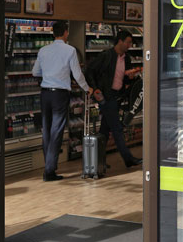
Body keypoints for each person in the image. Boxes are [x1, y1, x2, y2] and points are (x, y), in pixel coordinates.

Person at [32, 20, 93, 181]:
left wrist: (49, 74)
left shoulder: (43, 50)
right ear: (65, 33)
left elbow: (35, 72)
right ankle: (49, 171)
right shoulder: (70, 50)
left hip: (45, 94)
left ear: (53, 33)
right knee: (56, 131)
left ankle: (49, 166)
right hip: (60, 95)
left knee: (46, 130)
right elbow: (77, 75)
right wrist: (87, 88)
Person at [86, 29, 142, 168]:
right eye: (128, 42)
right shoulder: (106, 56)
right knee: (117, 129)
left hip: (117, 97)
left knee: (104, 130)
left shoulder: (127, 58)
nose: (130, 45)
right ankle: (128, 159)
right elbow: (89, 71)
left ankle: (98, 161)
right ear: (120, 41)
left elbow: (125, 80)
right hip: (106, 97)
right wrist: (94, 88)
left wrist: (129, 77)